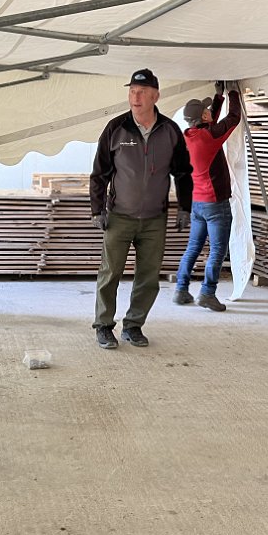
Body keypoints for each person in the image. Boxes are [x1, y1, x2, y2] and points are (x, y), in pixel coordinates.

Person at [90, 68, 193, 349]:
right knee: (110, 273)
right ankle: (103, 326)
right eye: (132, 91)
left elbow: (183, 173)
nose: (135, 97)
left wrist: (185, 208)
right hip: (119, 216)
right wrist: (97, 209)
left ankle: (134, 325)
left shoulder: (170, 130)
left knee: (148, 277)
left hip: (154, 219)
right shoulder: (116, 128)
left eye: (142, 92)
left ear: (155, 96)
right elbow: (99, 173)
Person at [174, 82, 244, 311]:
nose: (209, 112)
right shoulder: (209, 136)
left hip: (197, 203)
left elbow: (210, 122)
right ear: (203, 117)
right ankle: (207, 293)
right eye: (207, 111)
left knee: (193, 247)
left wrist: (218, 97)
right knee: (217, 251)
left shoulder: (187, 136)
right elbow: (233, 118)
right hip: (215, 204)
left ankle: (181, 290)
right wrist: (233, 93)